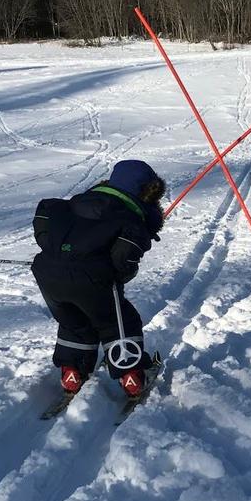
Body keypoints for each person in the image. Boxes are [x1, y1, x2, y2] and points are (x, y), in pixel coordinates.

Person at [31, 159, 166, 399]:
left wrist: (58, 253)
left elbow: (44, 220)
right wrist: (120, 274)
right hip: (93, 278)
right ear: (145, 192)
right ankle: (131, 376)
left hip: (48, 274)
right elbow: (124, 259)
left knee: (75, 322)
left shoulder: (77, 203)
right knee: (118, 322)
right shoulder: (129, 219)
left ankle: (72, 373)